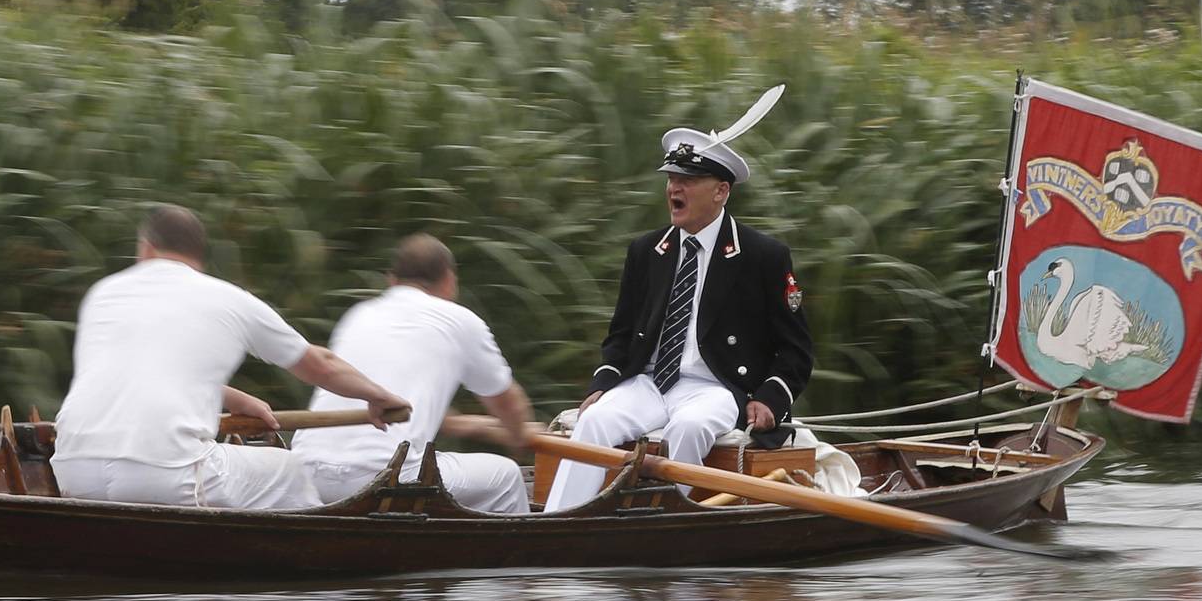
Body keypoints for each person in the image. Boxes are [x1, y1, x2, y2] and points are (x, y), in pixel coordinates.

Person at [543, 96, 813, 512]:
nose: (674, 188)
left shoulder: (763, 255)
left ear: (721, 191)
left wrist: (771, 398)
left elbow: (795, 349)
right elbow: (621, 334)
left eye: (688, 180)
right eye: (671, 178)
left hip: (716, 387)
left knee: (688, 427)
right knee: (593, 420)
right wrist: (602, 384)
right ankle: (560, 523)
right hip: (649, 382)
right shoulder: (647, 250)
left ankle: (668, 526)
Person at [51, 204, 409, 510]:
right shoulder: (227, 298)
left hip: (72, 470)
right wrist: (377, 396)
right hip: (166, 473)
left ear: (145, 248)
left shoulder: (103, 293)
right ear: (199, 257)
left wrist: (236, 399)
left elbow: (137, 369)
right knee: (289, 471)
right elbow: (320, 366)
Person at [292, 235, 535, 514]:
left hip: (306, 472)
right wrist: (519, 437)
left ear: (392, 280)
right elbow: (508, 403)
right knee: (505, 476)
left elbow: (415, 406)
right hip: (383, 476)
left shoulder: (360, 314)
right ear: (449, 280)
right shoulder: (459, 319)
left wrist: (479, 427)